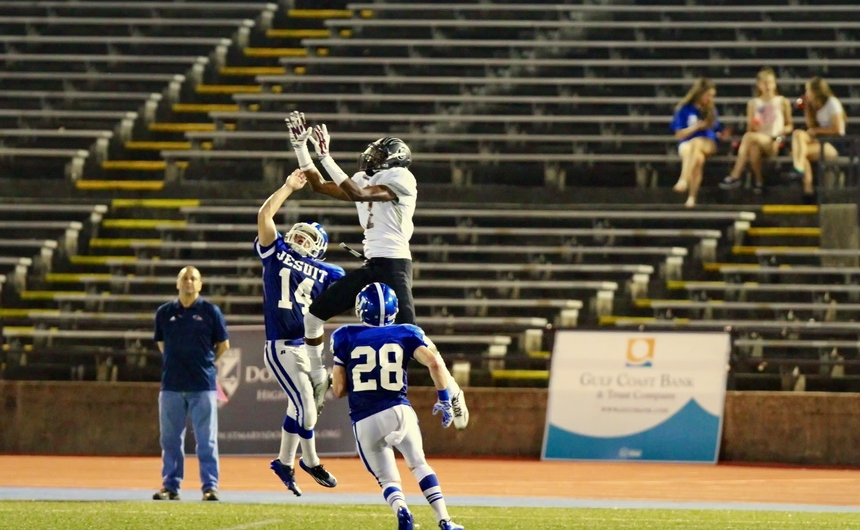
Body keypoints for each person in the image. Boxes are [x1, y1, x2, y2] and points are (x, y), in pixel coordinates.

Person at [284, 110, 468, 427]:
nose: (371, 157)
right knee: (313, 315)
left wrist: (326, 156)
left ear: (392, 159)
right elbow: (318, 185)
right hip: (372, 265)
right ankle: (317, 378)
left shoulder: (402, 178)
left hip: (395, 265)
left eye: (379, 154)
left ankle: (451, 390)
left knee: (414, 337)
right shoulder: (363, 177)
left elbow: (357, 193)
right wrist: (302, 147)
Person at [330, 282, 468, 530]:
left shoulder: (345, 335)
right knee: (419, 464)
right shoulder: (406, 331)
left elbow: (338, 390)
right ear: (394, 310)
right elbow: (435, 364)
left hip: (365, 418)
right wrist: (444, 398)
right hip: (399, 410)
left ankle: (402, 510)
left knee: (387, 478)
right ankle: (444, 520)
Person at [256, 168, 346, 495]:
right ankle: (310, 460)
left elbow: (349, 292)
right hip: (281, 344)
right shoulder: (275, 252)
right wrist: (287, 187)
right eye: (299, 233)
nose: (300, 238)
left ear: (319, 248)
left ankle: (283, 461)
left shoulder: (328, 271)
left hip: (304, 347)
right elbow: (265, 214)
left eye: (309, 238)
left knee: (301, 407)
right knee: (307, 407)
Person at [152, 266, 230, 501]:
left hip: (202, 385)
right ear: (177, 283)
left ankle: (209, 486)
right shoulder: (164, 312)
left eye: (193, 278)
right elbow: (162, 343)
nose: (188, 282)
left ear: (200, 284)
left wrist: (205, 364)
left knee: (206, 439)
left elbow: (223, 345)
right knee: (170, 440)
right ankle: (170, 486)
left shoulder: (210, 311)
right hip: (172, 385)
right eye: (184, 278)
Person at [719, 67, 794, 194]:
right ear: (759, 85)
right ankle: (759, 183)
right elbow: (751, 128)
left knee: (748, 137)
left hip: (774, 140)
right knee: (753, 148)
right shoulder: (754, 103)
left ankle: (736, 174)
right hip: (758, 137)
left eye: (770, 82)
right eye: (765, 83)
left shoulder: (782, 101)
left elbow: (790, 125)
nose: (768, 86)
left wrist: (783, 130)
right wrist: (755, 123)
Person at [670, 77, 732, 208]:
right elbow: (679, 134)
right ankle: (692, 197)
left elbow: (717, 129)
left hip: (707, 142)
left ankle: (683, 179)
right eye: (708, 95)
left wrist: (722, 134)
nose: (710, 99)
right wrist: (696, 127)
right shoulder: (684, 109)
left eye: (712, 96)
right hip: (687, 142)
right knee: (697, 158)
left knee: (696, 143)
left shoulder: (711, 110)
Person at [789, 76, 846, 204]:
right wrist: (807, 109)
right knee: (798, 134)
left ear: (816, 91)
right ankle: (804, 180)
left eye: (808, 90)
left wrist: (817, 131)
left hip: (835, 143)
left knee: (798, 153)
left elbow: (838, 129)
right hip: (820, 142)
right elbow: (811, 126)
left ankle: (806, 185)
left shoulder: (832, 102)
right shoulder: (814, 105)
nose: (806, 93)